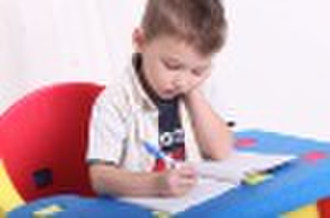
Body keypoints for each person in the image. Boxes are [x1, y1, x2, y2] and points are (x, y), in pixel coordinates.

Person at [86, 0, 233, 197]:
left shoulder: (197, 87)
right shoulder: (115, 102)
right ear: (140, 42)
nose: (182, 81)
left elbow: (220, 151)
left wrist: (193, 94)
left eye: (198, 70)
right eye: (172, 66)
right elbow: (99, 178)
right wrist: (154, 184)